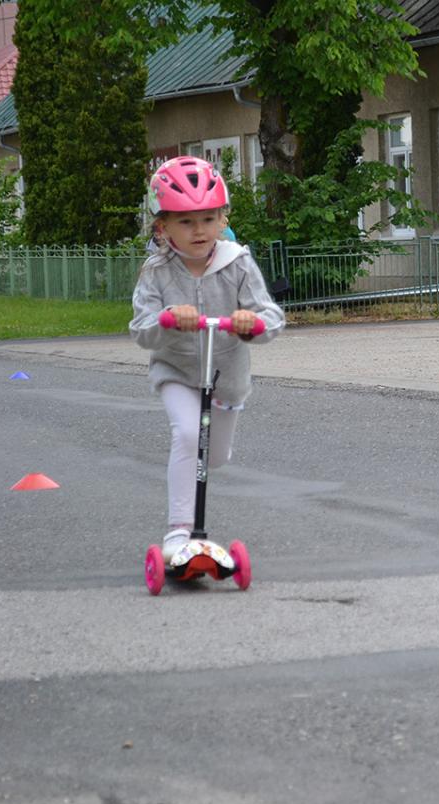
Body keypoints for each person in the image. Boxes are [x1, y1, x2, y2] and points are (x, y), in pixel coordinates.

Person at [129, 156, 285, 560]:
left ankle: (205, 470)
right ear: (162, 226)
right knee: (187, 434)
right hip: (177, 371)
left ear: (222, 219)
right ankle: (179, 533)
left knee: (213, 458)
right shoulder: (156, 271)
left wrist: (252, 323)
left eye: (207, 219)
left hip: (227, 377)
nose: (198, 230)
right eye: (185, 221)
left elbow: (272, 317)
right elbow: (141, 329)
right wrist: (167, 320)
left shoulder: (238, 263)